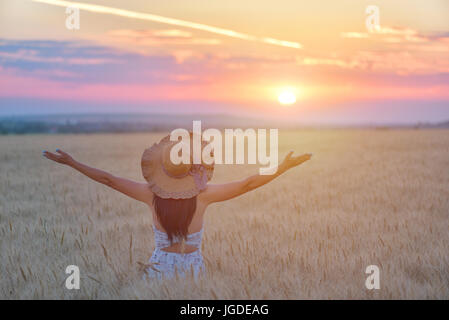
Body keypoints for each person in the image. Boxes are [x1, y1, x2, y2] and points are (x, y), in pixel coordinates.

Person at [43, 134, 312, 280]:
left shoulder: (150, 194)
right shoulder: (204, 195)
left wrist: (72, 163)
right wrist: (282, 168)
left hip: (159, 267)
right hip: (194, 267)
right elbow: (248, 184)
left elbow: (109, 180)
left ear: (162, 170)